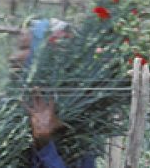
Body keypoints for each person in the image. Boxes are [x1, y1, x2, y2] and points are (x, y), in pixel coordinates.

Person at [13, 19, 97, 168]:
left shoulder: (78, 127)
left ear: (45, 54)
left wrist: (44, 144)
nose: (12, 57)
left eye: (24, 48)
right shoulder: (12, 105)